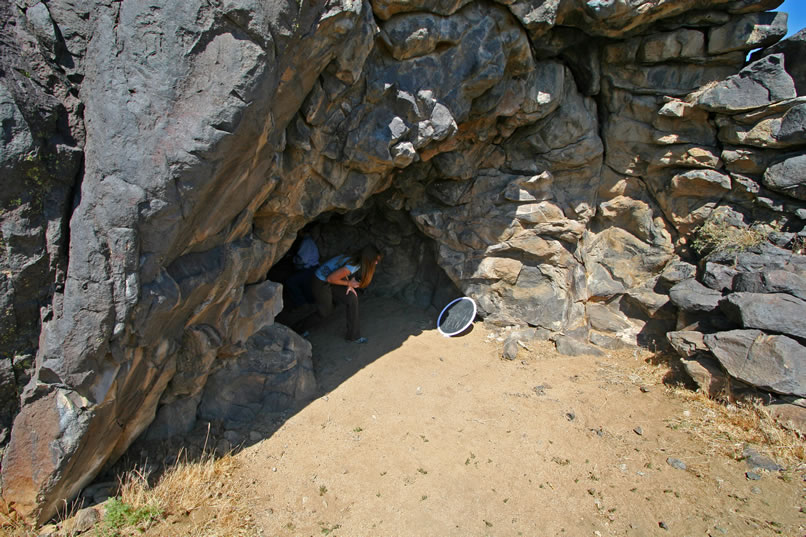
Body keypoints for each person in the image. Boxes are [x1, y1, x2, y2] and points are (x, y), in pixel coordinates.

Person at [308, 245, 382, 343]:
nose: (376, 262)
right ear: (368, 258)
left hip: (330, 279)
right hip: (320, 281)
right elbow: (330, 278)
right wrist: (349, 283)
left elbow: (341, 272)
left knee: (352, 298)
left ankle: (353, 336)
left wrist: (349, 285)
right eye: (375, 260)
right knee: (325, 311)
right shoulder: (354, 264)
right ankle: (297, 329)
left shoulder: (356, 259)